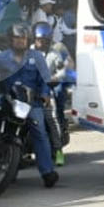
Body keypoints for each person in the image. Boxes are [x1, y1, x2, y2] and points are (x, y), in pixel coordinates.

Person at [0, 23, 60, 187]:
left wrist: (45, 95)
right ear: (10, 40)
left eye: (23, 38)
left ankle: (47, 172)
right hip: (7, 99)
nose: (20, 41)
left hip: (31, 102)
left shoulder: (36, 57)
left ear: (28, 39)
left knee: (39, 131)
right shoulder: (1, 57)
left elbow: (45, 79)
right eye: (17, 38)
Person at [31, 20, 72, 160]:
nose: (41, 43)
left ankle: (58, 150)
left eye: (45, 40)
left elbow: (62, 71)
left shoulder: (55, 54)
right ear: (35, 39)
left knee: (52, 120)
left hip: (46, 92)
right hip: (27, 91)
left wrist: (55, 77)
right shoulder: (28, 52)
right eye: (39, 40)